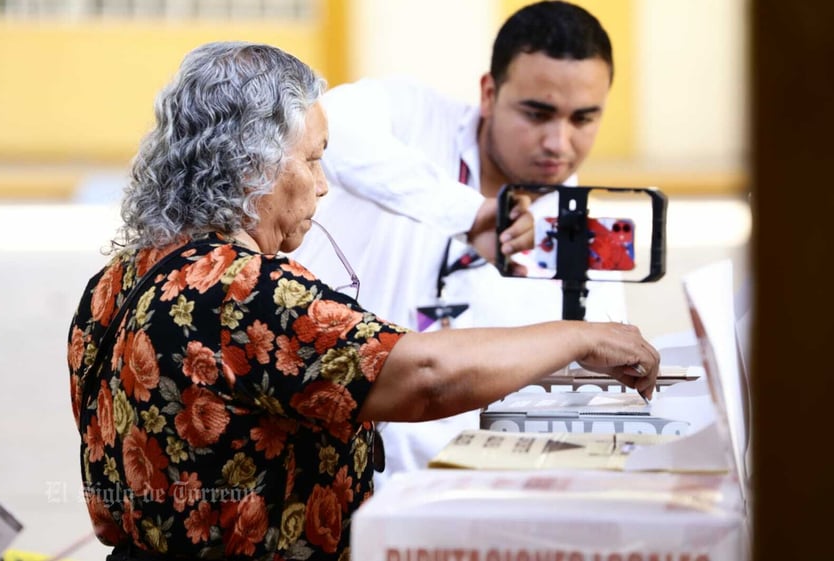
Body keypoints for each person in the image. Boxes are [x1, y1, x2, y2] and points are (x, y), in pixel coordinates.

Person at [67, 41, 659, 561]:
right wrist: (578, 336)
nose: (324, 184)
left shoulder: (114, 284)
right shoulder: (246, 292)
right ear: (254, 168)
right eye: (313, 160)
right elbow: (424, 375)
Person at [289, 0, 624, 488]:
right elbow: (323, 130)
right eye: (538, 113)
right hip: (329, 482)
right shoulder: (411, 115)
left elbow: (588, 397)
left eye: (583, 119)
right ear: (489, 93)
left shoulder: (586, 230)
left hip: (470, 506)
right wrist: (468, 215)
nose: (559, 143)